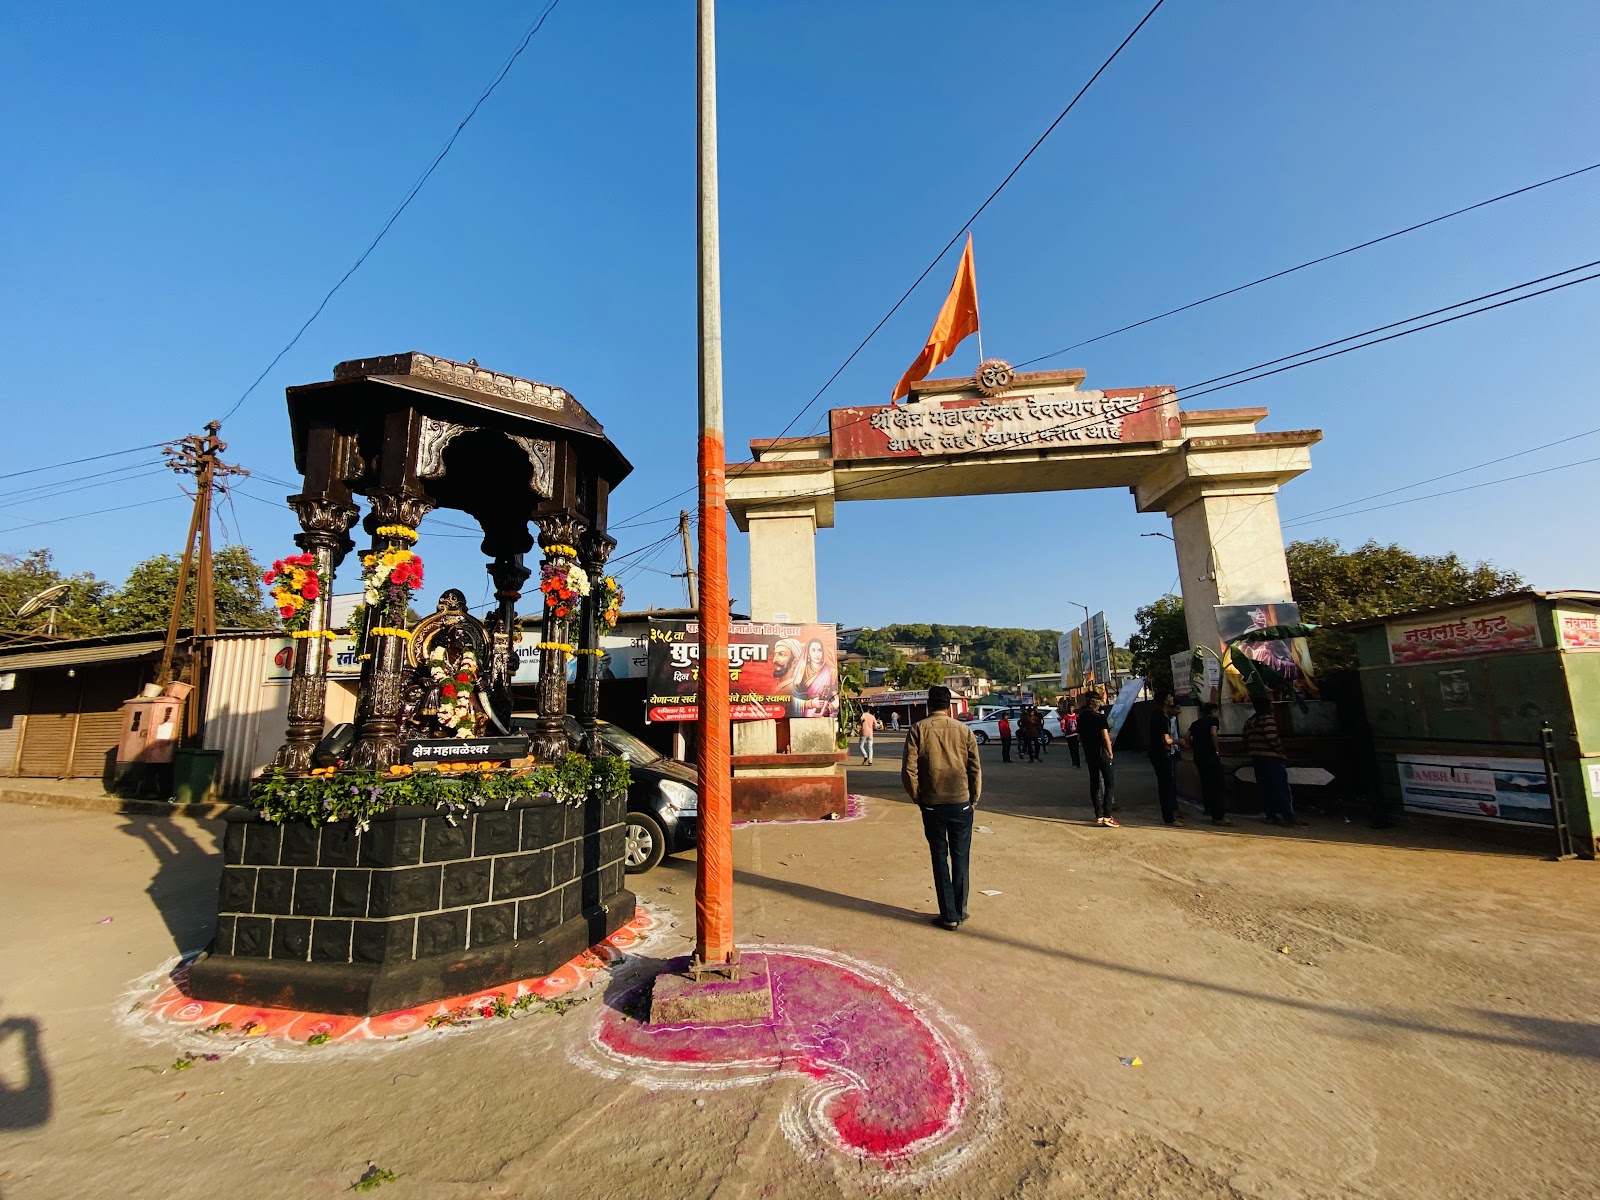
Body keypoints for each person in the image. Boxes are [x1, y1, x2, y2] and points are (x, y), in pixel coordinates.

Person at [902, 685, 982, 931]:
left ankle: (948, 914)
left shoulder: (918, 730)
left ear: (929, 704)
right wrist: (973, 798)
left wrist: (918, 797)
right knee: (961, 857)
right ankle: (960, 909)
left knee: (939, 857)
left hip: (933, 804)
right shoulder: (964, 731)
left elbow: (909, 769)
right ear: (949, 705)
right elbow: (974, 768)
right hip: (961, 802)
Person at [1242, 697, 1306, 826]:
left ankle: (1271, 815)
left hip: (1257, 758)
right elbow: (1271, 737)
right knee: (1280, 787)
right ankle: (1288, 816)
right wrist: (1281, 750)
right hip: (1272, 758)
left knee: (1265, 788)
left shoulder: (1250, 721)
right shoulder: (1268, 720)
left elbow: (1246, 739)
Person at [1185, 702, 1230, 825]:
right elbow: (1213, 733)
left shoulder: (1195, 723)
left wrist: (1193, 747)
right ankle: (1219, 816)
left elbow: (1186, 736)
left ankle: (1208, 809)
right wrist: (1216, 749)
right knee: (1217, 785)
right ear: (1213, 712)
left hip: (1199, 757)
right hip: (1211, 756)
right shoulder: (1213, 721)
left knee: (1206, 783)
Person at [1078, 692, 1117, 826]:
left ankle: (1098, 815)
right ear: (1096, 702)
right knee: (1109, 782)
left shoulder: (1081, 718)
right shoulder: (1100, 718)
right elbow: (1106, 737)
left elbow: (1079, 738)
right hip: (1102, 753)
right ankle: (1107, 815)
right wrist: (1110, 752)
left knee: (1094, 783)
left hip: (1090, 754)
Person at [1146, 692, 1182, 825]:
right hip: (1161, 754)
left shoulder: (1157, 714)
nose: (1172, 699)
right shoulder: (1162, 717)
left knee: (1165, 784)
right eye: (1170, 697)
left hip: (1157, 753)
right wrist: (1180, 741)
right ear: (1166, 701)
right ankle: (1169, 817)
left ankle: (1170, 814)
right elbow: (1166, 740)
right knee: (1166, 785)